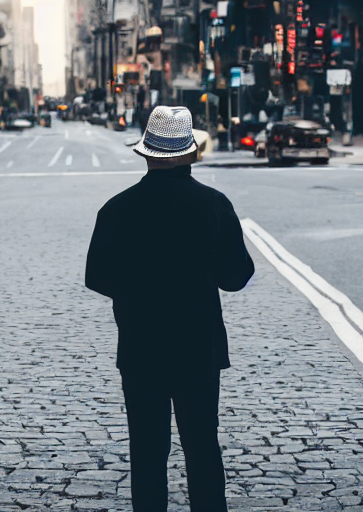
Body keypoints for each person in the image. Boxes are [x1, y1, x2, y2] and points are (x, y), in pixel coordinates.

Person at [85, 106, 255, 512]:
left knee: (147, 449)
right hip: (198, 346)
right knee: (201, 445)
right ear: (191, 153)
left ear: (147, 154)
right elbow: (236, 276)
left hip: (141, 345)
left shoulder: (117, 208)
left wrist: (137, 290)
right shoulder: (213, 205)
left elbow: (96, 276)